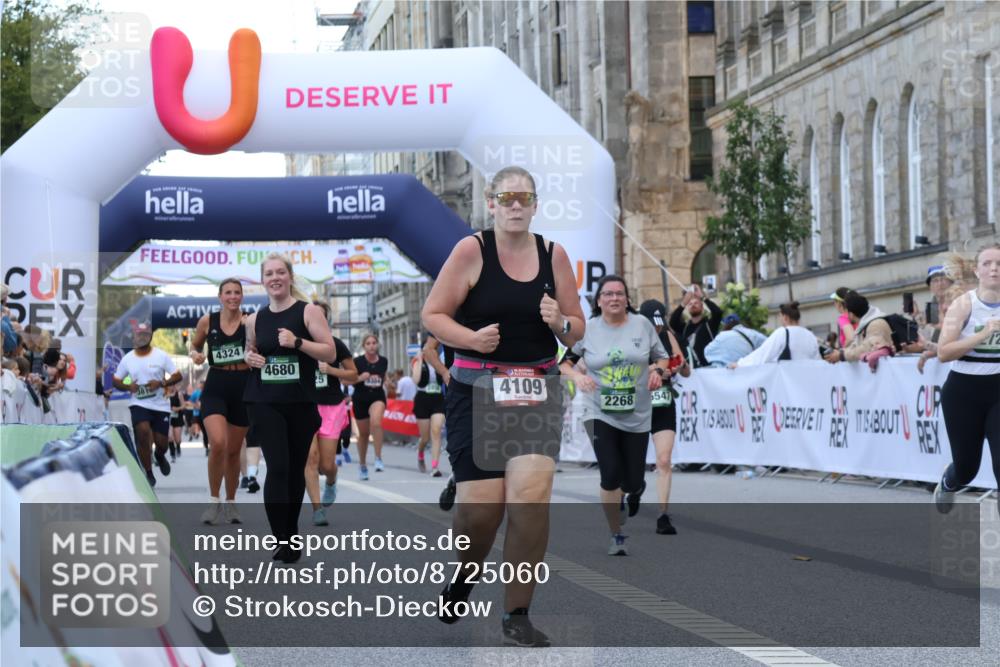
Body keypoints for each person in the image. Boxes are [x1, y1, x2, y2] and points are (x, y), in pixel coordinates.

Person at [422, 165, 584, 647]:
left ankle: (517, 612)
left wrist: (562, 323)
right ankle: (464, 577)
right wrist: (471, 338)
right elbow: (433, 315)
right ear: (490, 203)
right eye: (506, 197)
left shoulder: (554, 255)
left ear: (535, 205)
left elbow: (578, 326)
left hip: (536, 391)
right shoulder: (472, 250)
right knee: (479, 516)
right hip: (477, 392)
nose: (515, 205)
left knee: (530, 501)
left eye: (524, 198)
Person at [561, 278, 670, 555]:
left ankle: (635, 488)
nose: (614, 298)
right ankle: (616, 534)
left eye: (619, 294)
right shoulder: (588, 329)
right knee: (610, 473)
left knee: (632, 480)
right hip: (598, 410)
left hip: (637, 412)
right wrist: (577, 377)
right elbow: (564, 362)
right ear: (599, 300)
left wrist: (657, 371)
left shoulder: (642, 326)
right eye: (607, 294)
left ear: (627, 299)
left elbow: (662, 357)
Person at [243, 253, 335, 563]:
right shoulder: (254, 319)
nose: (275, 278)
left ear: (290, 276)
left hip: (300, 401)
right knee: (278, 468)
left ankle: (291, 532)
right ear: (263, 280)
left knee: (295, 471)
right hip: (265, 401)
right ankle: (282, 538)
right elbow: (250, 351)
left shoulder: (308, 312)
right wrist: (249, 358)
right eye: (269, 273)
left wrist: (298, 343)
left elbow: (330, 351)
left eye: (280, 272)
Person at [933, 244, 1000, 516]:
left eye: (999, 264)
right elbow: (943, 352)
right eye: (987, 263)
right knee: (967, 468)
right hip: (964, 392)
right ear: (977, 270)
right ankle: (949, 483)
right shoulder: (964, 305)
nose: (994, 269)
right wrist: (982, 335)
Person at [189, 278, 252, 525]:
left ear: (242, 296)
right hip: (216, 385)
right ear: (220, 296)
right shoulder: (208, 321)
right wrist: (195, 354)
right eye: (228, 292)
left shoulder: (250, 321)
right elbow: (193, 346)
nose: (233, 297)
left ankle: (231, 502)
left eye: (237, 292)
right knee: (218, 443)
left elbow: (261, 347)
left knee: (235, 451)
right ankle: (214, 501)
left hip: (243, 386)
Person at [637, 299, 690, 535]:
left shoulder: (668, 336)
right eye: (653, 324)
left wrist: (678, 366)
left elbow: (686, 370)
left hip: (663, 402)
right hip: (637, 403)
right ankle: (633, 489)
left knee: (664, 460)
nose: (656, 329)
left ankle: (663, 515)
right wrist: (654, 369)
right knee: (632, 464)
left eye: (659, 324)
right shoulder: (633, 336)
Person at [305, 301, 358, 526]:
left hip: (331, 406)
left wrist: (331, 370)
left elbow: (353, 374)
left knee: (326, 465)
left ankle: (331, 482)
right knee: (311, 459)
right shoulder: (299, 344)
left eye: (322, 316)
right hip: (305, 405)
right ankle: (317, 509)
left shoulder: (336, 345)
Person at [112, 322, 182, 487]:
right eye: (139, 334)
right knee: (142, 433)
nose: (142, 337)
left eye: (145, 334)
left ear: (150, 336)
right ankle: (148, 472)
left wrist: (162, 383)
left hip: (160, 406)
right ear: (134, 337)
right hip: (138, 403)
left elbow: (178, 376)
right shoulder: (127, 359)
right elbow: (116, 380)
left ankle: (159, 454)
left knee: (162, 442)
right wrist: (129, 386)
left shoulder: (161, 356)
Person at [732, 302, 821, 366]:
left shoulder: (783, 333)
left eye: (780, 317)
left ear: (785, 317)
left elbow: (763, 354)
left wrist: (740, 364)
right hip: (806, 383)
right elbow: (817, 361)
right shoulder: (810, 336)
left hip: (787, 382)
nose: (780, 320)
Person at [823, 292, 894, 369]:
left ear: (851, 314)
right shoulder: (867, 324)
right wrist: (840, 353)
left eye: (847, 312)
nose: (846, 316)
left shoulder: (875, 325)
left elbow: (867, 348)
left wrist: (841, 355)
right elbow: (857, 346)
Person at [352, 333, 389, 480]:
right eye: (368, 343)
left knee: (376, 422)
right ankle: (362, 465)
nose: (372, 346)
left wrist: (387, 382)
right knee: (364, 435)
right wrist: (360, 378)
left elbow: (382, 376)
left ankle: (378, 458)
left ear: (378, 344)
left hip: (377, 396)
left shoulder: (383, 361)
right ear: (364, 346)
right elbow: (350, 379)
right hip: (360, 397)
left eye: (374, 343)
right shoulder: (357, 361)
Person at [411, 333, 447, 475]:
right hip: (422, 399)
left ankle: (435, 466)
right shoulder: (417, 360)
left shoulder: (440, 359)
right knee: (425, 437)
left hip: (437, 398)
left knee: (437, 431)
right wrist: (420, 359)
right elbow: (416, 379)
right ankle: (420, 453)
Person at [668, 283, 722, 368]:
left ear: (702, 306)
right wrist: (683, 303)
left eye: (696, 303)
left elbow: (718, 313)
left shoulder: (709, 325)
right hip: (691, 370)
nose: (693, 305)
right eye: (690, 304)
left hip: (707, 369)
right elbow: (672, 322)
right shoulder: (685, 327)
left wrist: (702, 297)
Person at [167, 384, 185, 461]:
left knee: (177, 438)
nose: (170, 387)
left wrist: (177, 408)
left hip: (178, 417)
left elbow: (184, 405)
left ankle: (178, 446)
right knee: (170, 437)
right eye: (169, 385)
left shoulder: (179, 394)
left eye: (172, 385)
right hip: (169, 417)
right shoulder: (165, 395)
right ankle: (172, 454)